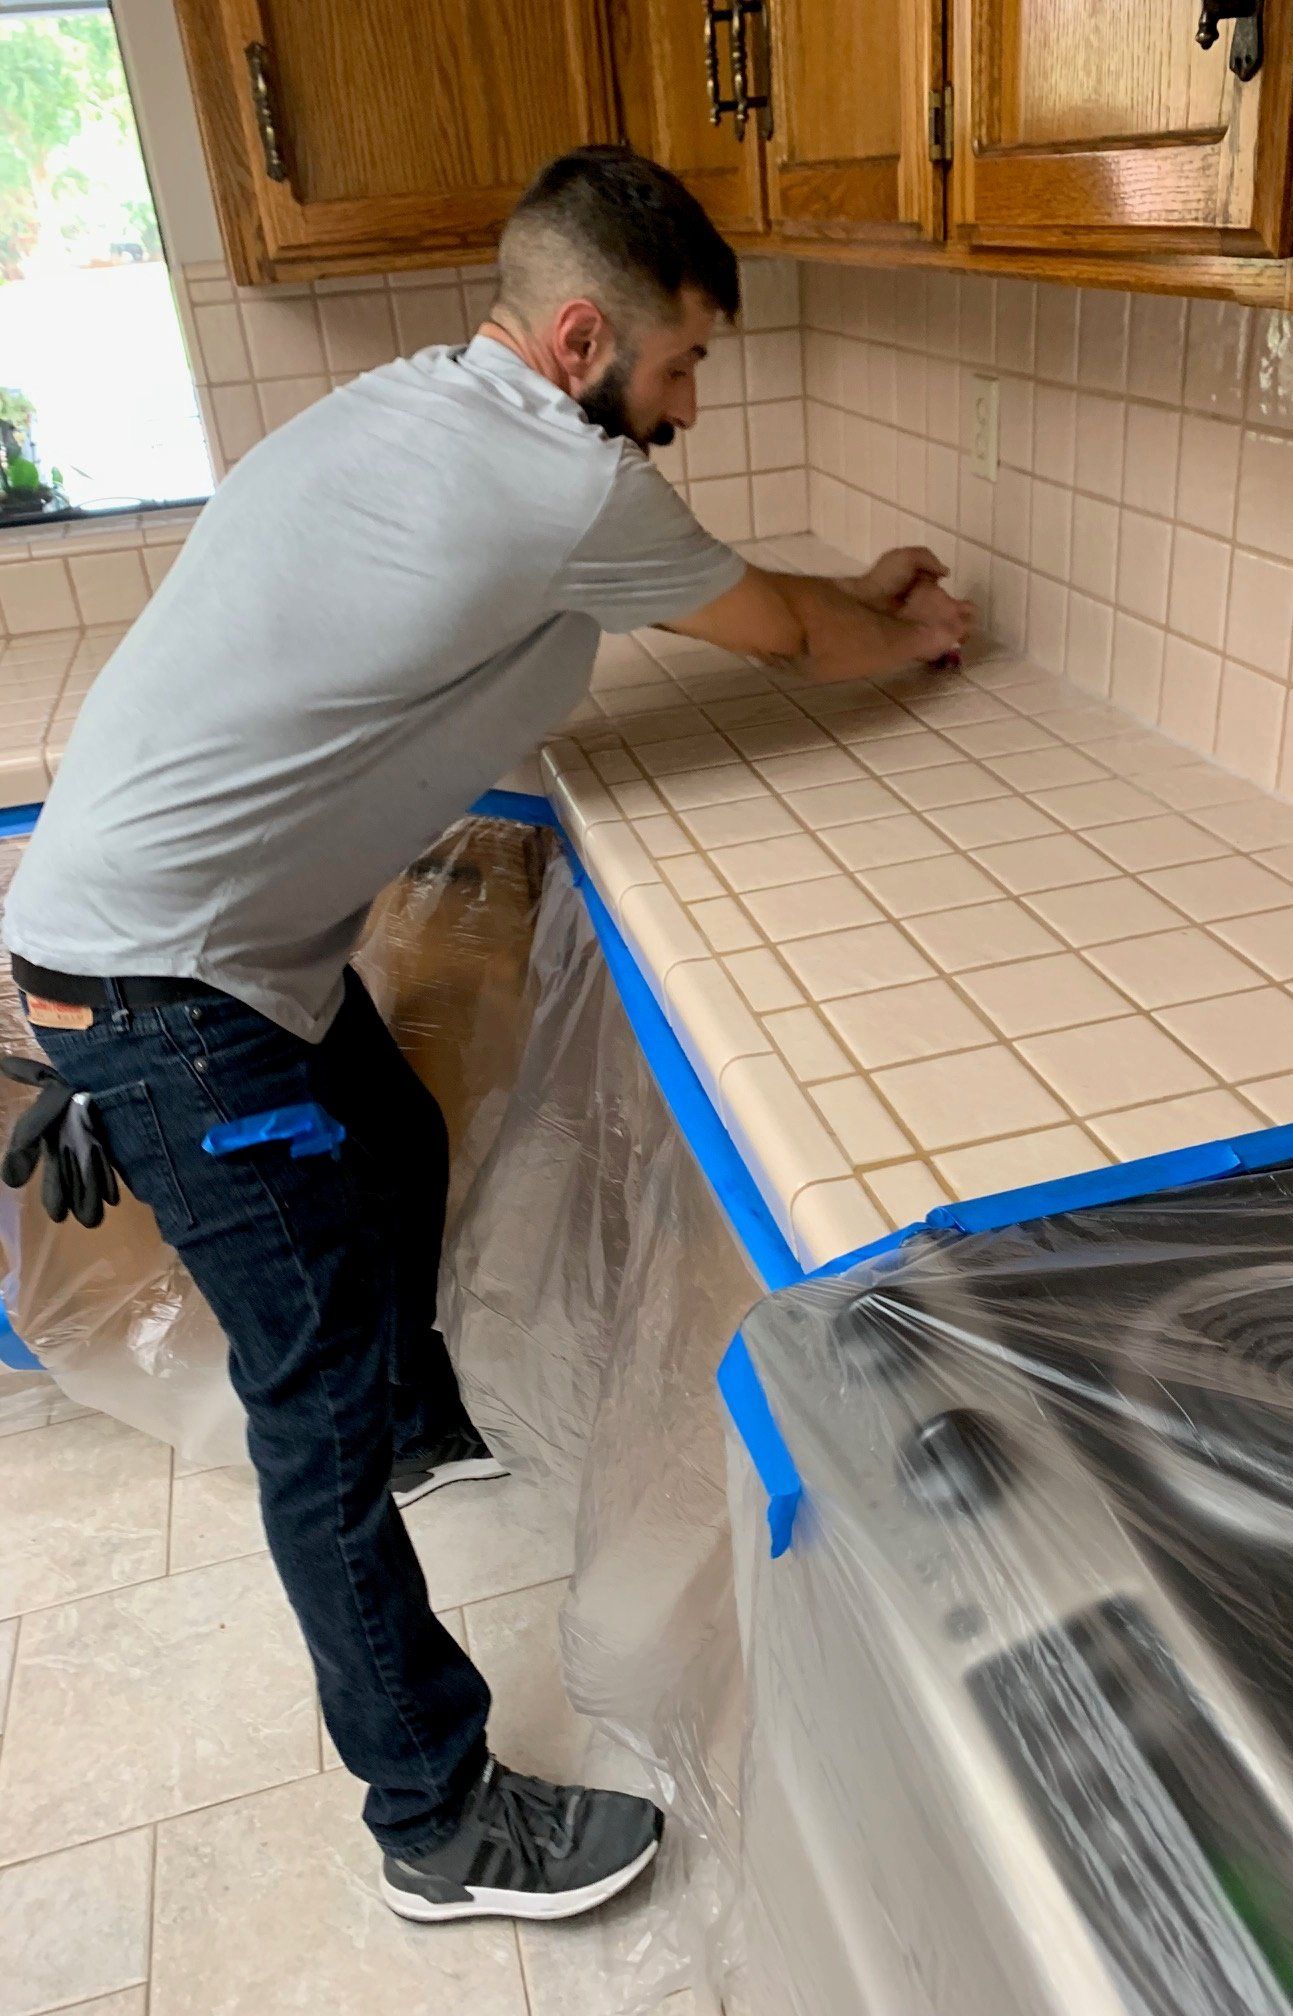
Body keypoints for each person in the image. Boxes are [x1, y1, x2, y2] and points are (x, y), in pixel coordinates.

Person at [0, 146, 972, 1926]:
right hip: (172, 998)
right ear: (586, 336)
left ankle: (412, 1422)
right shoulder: (557, 477)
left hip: (192, 961)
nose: (687, 407)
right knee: (301, 1405)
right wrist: (900, 627)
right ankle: (432, 1824)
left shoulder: (421, 412)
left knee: (392, 1141)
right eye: (679, 369)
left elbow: (738, 603)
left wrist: (849, 598)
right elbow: (786, 633)